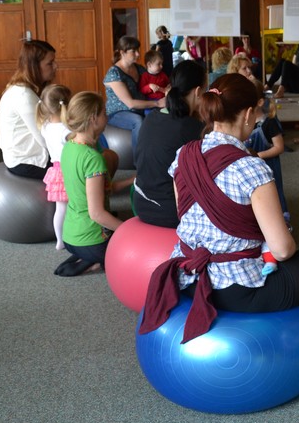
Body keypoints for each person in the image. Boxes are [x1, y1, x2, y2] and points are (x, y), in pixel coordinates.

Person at [139, 73, 299, 375]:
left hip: (187, 277)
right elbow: (282, 250)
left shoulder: (183, 156)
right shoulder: (251, 168)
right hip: (240, 291)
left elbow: (184, 216)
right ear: (249, 113)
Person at [56, 91, 134, 277]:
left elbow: (105, 190)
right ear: (93, 119)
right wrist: (129, 231)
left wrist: (132, 180)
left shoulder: (69, 146)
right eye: (104, 113)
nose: (107, 117)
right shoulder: (92, 158)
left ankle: (86, 258)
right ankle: (95, 262)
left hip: (70, 237)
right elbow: (97, 214)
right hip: (92, 240)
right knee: (134, 249)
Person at [133, 59, 207, 227]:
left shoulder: (151, 117)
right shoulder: (192, 128)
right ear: (198, 92)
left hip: (141, 203)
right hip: (170, 212)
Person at [0, 39, 57, 179]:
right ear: (34, 66)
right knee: (88, 162)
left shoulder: (30, 90)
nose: (56, 66)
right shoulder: (24, 95)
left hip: (31, 155)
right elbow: (45, 138)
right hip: (27, 162)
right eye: (50, 63)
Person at [103, 36, 164, 159]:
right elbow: (130, 103)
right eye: (133, 51)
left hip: (140, 108)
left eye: (138, 50)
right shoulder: (114, 73)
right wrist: (157, 103)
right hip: (117, 113)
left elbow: (152, 83)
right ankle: (140, 162)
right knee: (137, 121)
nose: (138, 54)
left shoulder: (139, 68)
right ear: (122, 52)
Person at [245, 87, 289, 224]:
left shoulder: (269, 122)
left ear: (259, 102)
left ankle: (282, 220)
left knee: (273, 193)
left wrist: (258, 155)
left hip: (268, 167)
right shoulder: (244, 122)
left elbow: (279, 147)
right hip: (250, 167)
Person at [38, 83, 73, 251]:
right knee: (76, 205)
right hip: (69, 170)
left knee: (60, 209)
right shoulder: (66, 130)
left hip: (55, 170)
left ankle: (60, 240)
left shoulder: (44, 126)